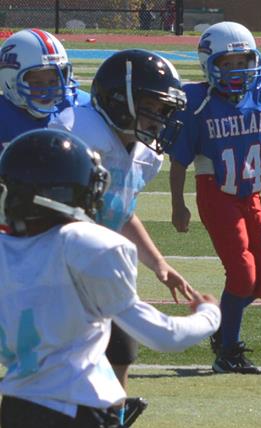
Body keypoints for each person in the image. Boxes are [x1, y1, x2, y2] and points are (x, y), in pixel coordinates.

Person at [0, 128, 221, 428]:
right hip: (54, 413)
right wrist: (209, 314)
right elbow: (163, 335)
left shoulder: (12, 249)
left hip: (65, 410)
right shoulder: (86, 246)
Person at [50, 49, 192, 396]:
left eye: (163, 110)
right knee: (71, 354)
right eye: (151, 106)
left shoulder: (145, 154)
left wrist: (159, 264)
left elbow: (120, 211)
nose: (158, 118)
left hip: (96, 263)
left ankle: (110, 421)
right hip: (56, 265)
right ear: (119, 99)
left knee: (121, 348)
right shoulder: (77, 134)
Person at [169, 21, 261, 375]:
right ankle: (228, 351)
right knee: (241, 275)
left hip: (251, 193)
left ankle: (222, 324)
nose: (238, 70)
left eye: (243, 61)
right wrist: (178, 203)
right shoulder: (197, 101)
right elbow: (179, 159)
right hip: (216, 191)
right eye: (228, 63)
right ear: (210, 65)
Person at [0, 28, 90, 151]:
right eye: (37, 83)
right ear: (9, 80)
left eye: (53, 81)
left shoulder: (79, 107)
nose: (48, 90)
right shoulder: (4, 117)